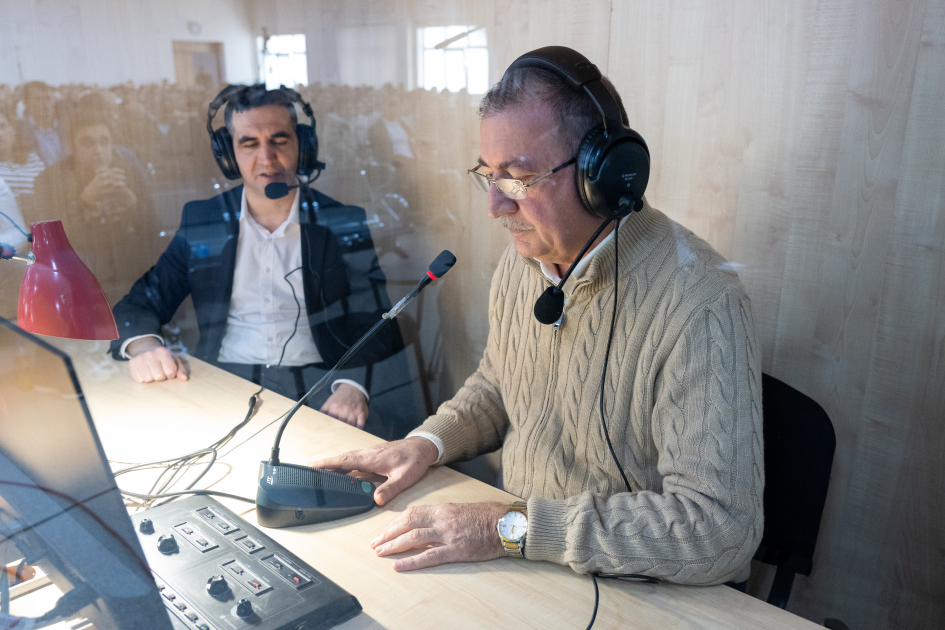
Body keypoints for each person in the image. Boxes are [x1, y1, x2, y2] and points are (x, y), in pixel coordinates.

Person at [310, 47, 763, 586]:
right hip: (521, 554)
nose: (495, 207)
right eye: (488, 175)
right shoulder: (525, 259)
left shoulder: (701, 303)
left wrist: (508, 527)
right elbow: (499, 385)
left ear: (602, 171)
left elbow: (718, 530)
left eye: (519, 178)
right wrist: (425, 444)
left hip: (626, 585)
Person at [109, 84, 404, 433]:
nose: (266, 157)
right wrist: (144, 346)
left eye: (279, 140)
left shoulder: (339, 222)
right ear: (227, 153)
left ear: (303, 145)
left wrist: (352, 385)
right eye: (249, 143)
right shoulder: (203, 221)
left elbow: (378, 320)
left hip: (320, 384)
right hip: (223, 380)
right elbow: (141, 301)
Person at [31, 95, 157, 303]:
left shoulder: (129, 171)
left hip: (128, 261)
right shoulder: (49, 181)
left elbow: (153, 228)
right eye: (87, 143)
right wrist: (85, 201)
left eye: (104, 142)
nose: (98, 150)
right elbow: (50, 241)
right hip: (78, 267)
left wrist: (132, 202)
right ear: (72, 148)